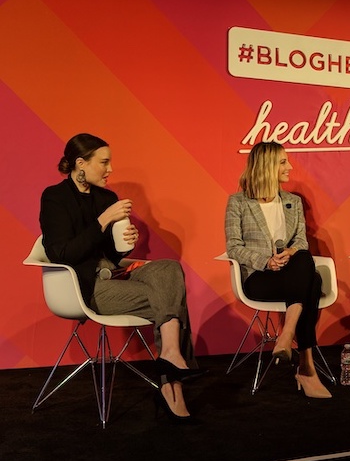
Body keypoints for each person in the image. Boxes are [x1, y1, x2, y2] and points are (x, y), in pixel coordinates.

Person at [39, 133, 205, 424]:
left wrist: (125, 243)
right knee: (170, 298)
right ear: (80, 164)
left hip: (114, 275)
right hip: (86, 287)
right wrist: (103, 221)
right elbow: (61, 253)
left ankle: (169, 353)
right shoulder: (55, 197)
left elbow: (111, 255)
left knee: (168, 269)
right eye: (103, 162)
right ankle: (171, 381)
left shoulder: (107, 198)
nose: (110, 169)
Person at [224, 142, 331, 398]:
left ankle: (287, 337)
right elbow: (233, 247)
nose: (290, 167)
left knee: (304, 257)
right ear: (267, 166)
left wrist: (289, 253)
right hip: (259, 278)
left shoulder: (293, 202)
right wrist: (266, 262)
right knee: (312, 283)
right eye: (283, 162)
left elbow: (302, 242)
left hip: (290, 274)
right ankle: (306, 367)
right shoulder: (238, 202)